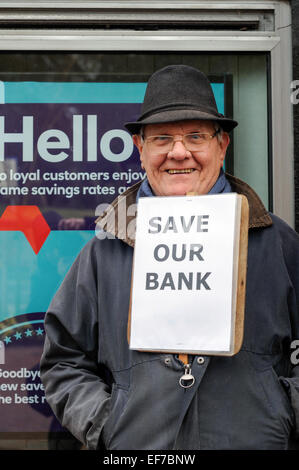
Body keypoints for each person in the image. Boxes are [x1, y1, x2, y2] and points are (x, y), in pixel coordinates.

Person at [40, 64, 299, 450]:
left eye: (196, 136)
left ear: (222, 146)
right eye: (162, 138)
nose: (179, 153)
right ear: (141, 149)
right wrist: (109, 428)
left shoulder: (277, 243)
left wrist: (282, 414)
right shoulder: (104, 251)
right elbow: (63, 361)